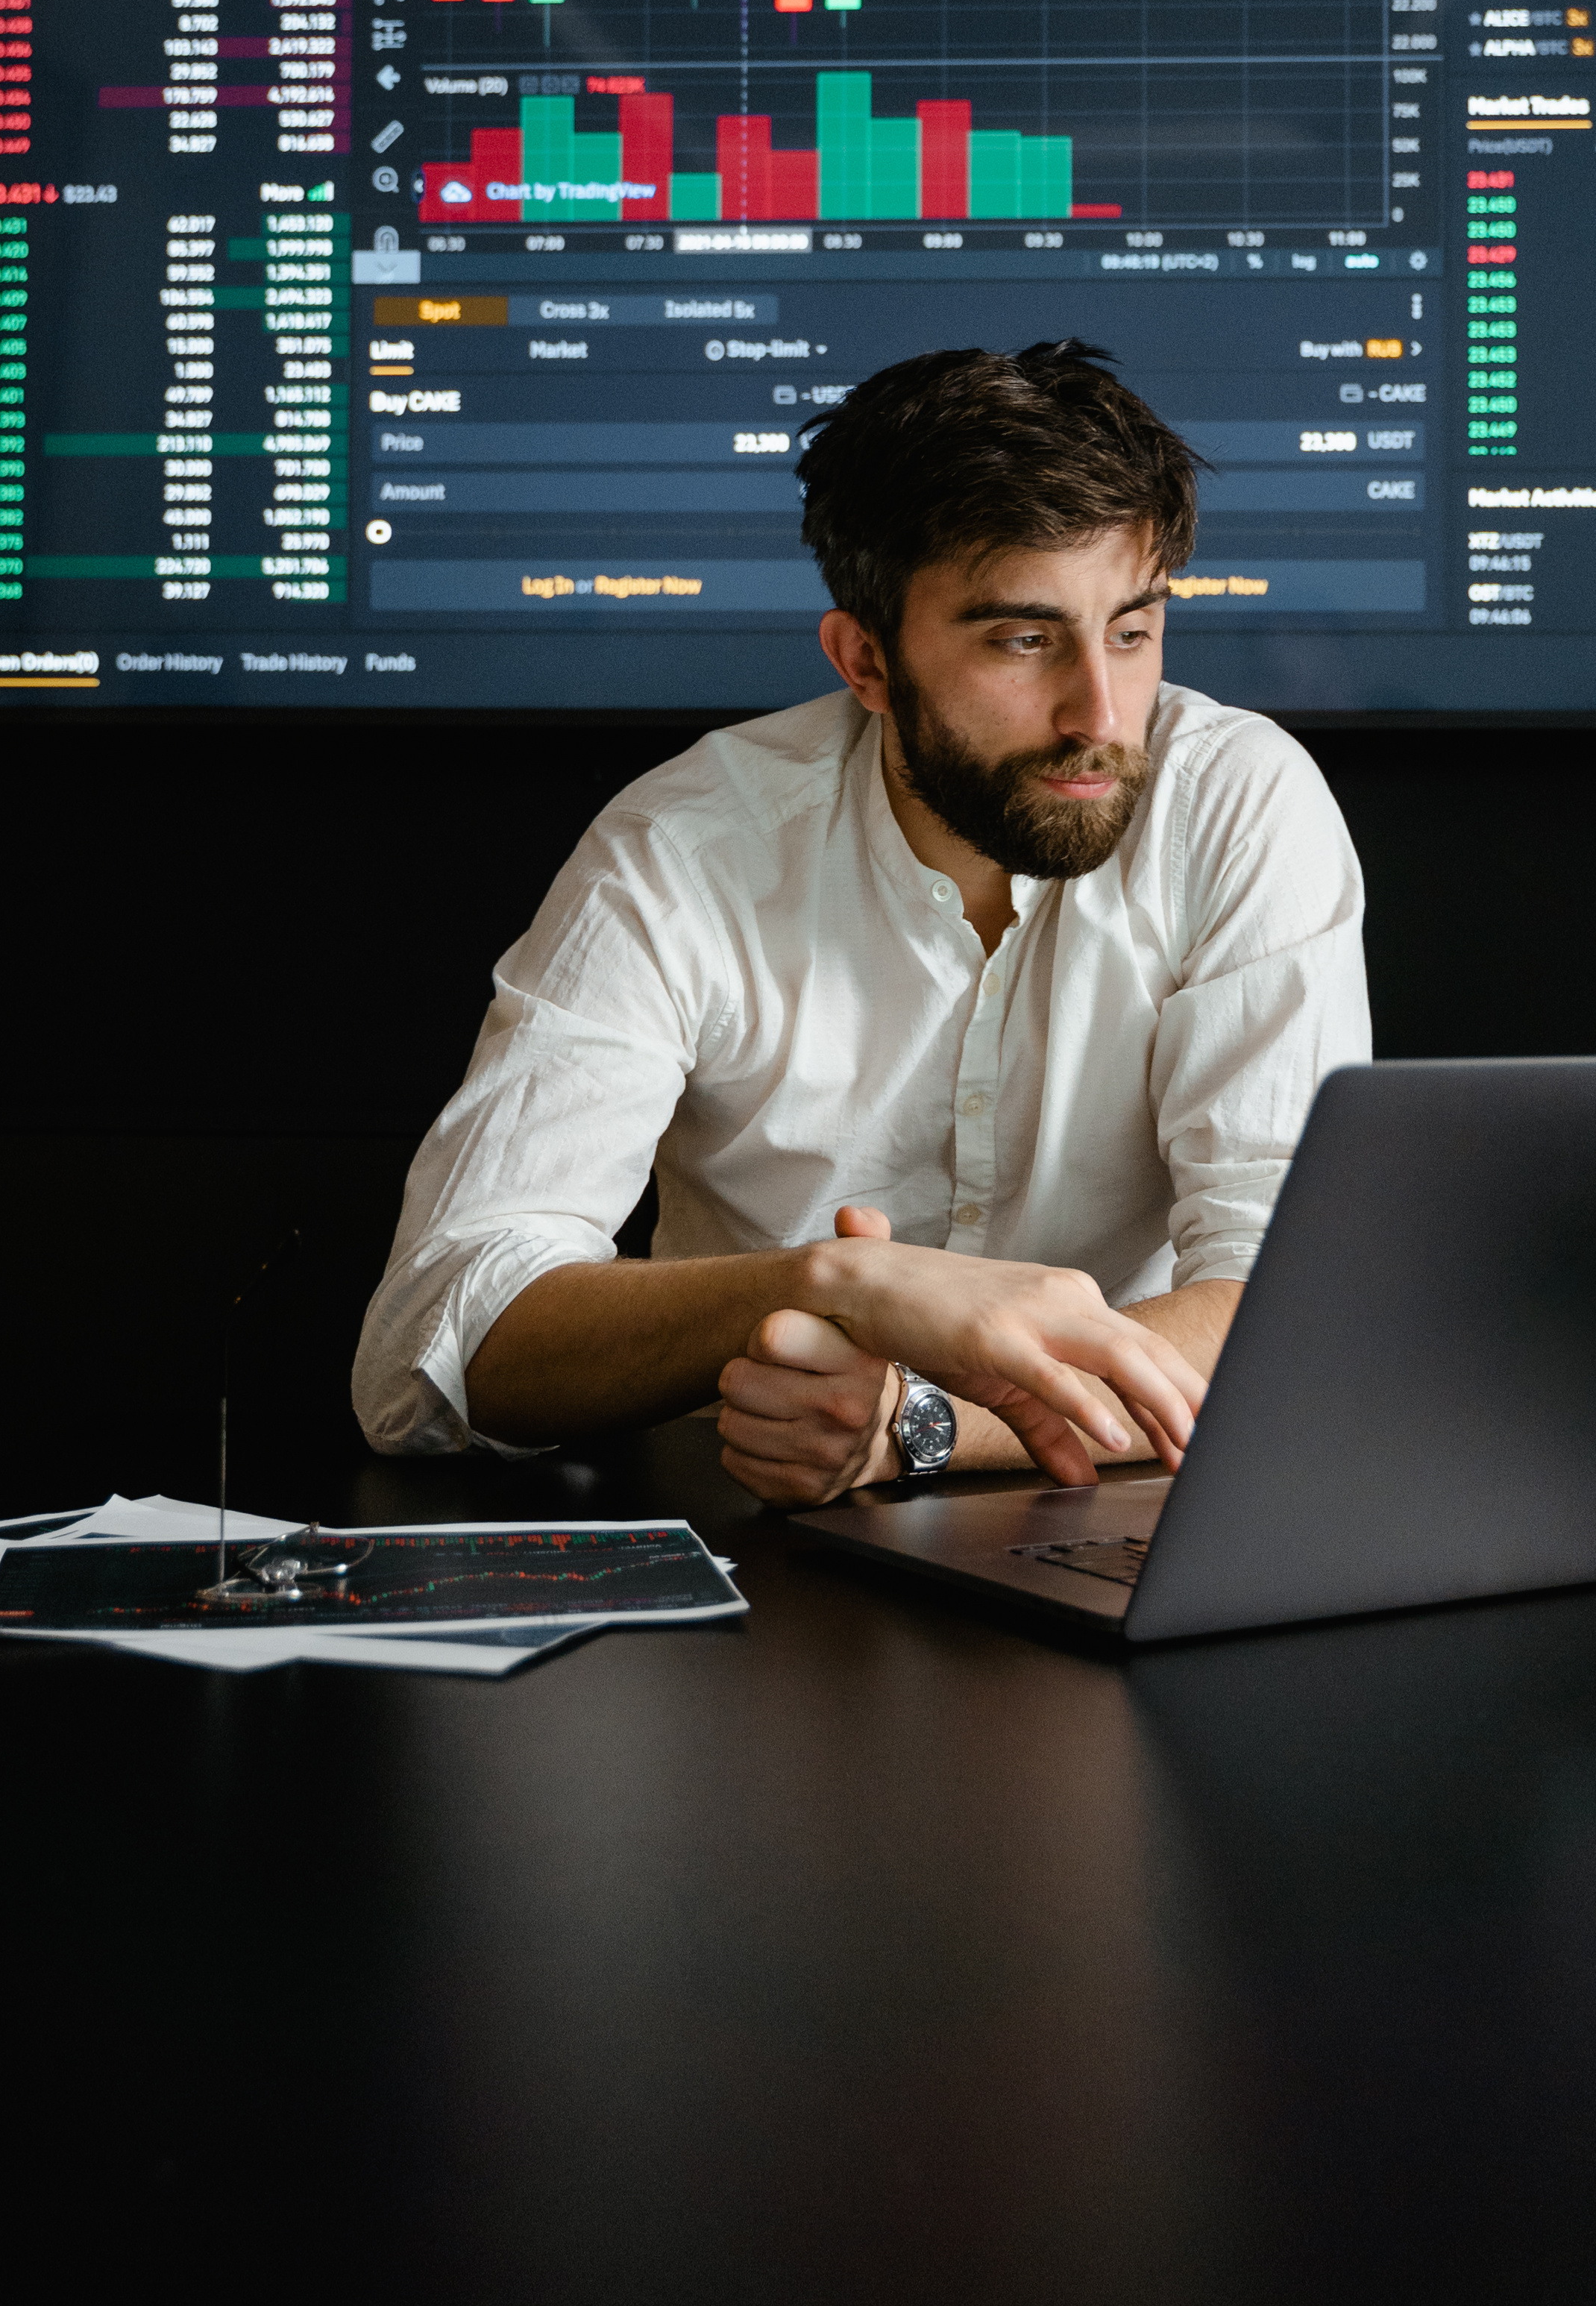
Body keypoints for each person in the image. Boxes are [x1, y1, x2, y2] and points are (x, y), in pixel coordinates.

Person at [354, 339, 1369, 1504]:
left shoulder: (1237, 801)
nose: (1100, 710)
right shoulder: (683, 849)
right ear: (867, 660)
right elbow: (430, 1348)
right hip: (748, 1536)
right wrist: (833, 1285)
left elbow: (1294, 1308)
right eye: (1022, 639)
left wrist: (917, 1422)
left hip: (1125, 1523)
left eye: (1132, 630)